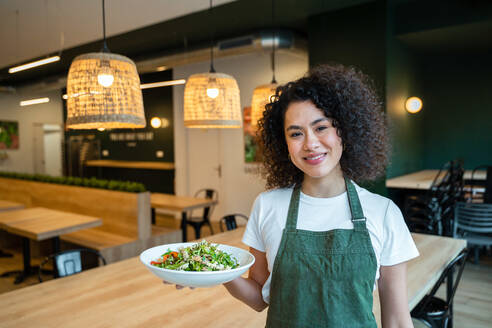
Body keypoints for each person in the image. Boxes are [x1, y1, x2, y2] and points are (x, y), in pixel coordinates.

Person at [222, 64, 419, 327]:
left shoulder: (383, 212)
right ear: (284, 144)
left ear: (344, 133)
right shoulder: (267, 205)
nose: (310, 143)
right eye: (296, 133)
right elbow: (259, 297)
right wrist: (213, 272)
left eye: (321, 127)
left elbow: (395, 321)